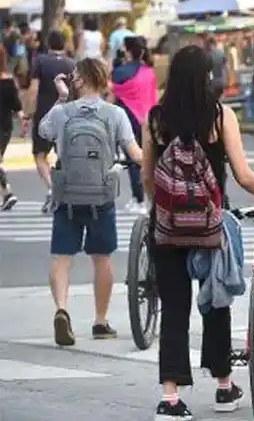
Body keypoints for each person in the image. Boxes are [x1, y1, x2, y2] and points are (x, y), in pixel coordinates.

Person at [141, 44, 254, 420]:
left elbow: (147, 176)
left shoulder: (155, 118)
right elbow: (242, 174)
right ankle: (224, 386)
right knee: (216, 300)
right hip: (209, 225)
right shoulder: (220, 116)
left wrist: (161, 208)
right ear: (208, 76)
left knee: (174, 307)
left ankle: (171, 398)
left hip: (168, 228)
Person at [37, 57, 144, 346]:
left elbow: (42, 132)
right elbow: (135, 153)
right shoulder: (115, 114)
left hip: (67, 196)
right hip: (101, 198)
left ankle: (61, 309)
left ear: (80, 80)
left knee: (62, 258)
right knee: (102, 258)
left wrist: (60, 98)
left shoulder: (63, 113)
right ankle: (100, 320)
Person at [26, 30, 76, 213]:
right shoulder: (72, 64)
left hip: (45, 115)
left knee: (40, 155)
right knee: (64, 154)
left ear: (48, 44)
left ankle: (50, 187)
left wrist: (28, 112)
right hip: (67, 114)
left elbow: (33, 88)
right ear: (64, 44)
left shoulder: (40, 61)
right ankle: (64, 191)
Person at [111, 35, 158, 213]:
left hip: (128, 118)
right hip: (148, 118)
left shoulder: (120, 72)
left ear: (127, 50)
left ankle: (138, 199)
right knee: (148, 158)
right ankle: (151, 198)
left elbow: (111, 93)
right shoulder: (149, 71)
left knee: (132, 159)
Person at [0, 45, 23, 210]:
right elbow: (17, 106)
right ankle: (6, 193)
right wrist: (23, 121)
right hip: (5, 127)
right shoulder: (8, 82)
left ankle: (8, 192)